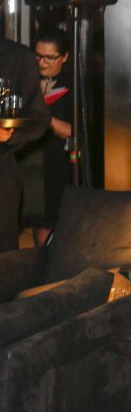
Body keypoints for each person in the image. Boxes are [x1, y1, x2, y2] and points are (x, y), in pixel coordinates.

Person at [0, 36, 50, 252]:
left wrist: (8, 136)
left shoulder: (17, 57)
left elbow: (39, 119)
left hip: (2, 173)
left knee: (4, 261)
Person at [32, 28, 73, 244]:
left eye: (50, 57)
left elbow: (74, 131)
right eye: (38, 56)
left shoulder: (73, 84)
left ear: (64, 57)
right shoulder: (28, 79)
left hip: (58, 162)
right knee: (34, 222)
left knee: (50, 224)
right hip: (29, 160)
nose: (42, 62)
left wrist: (45, 118)